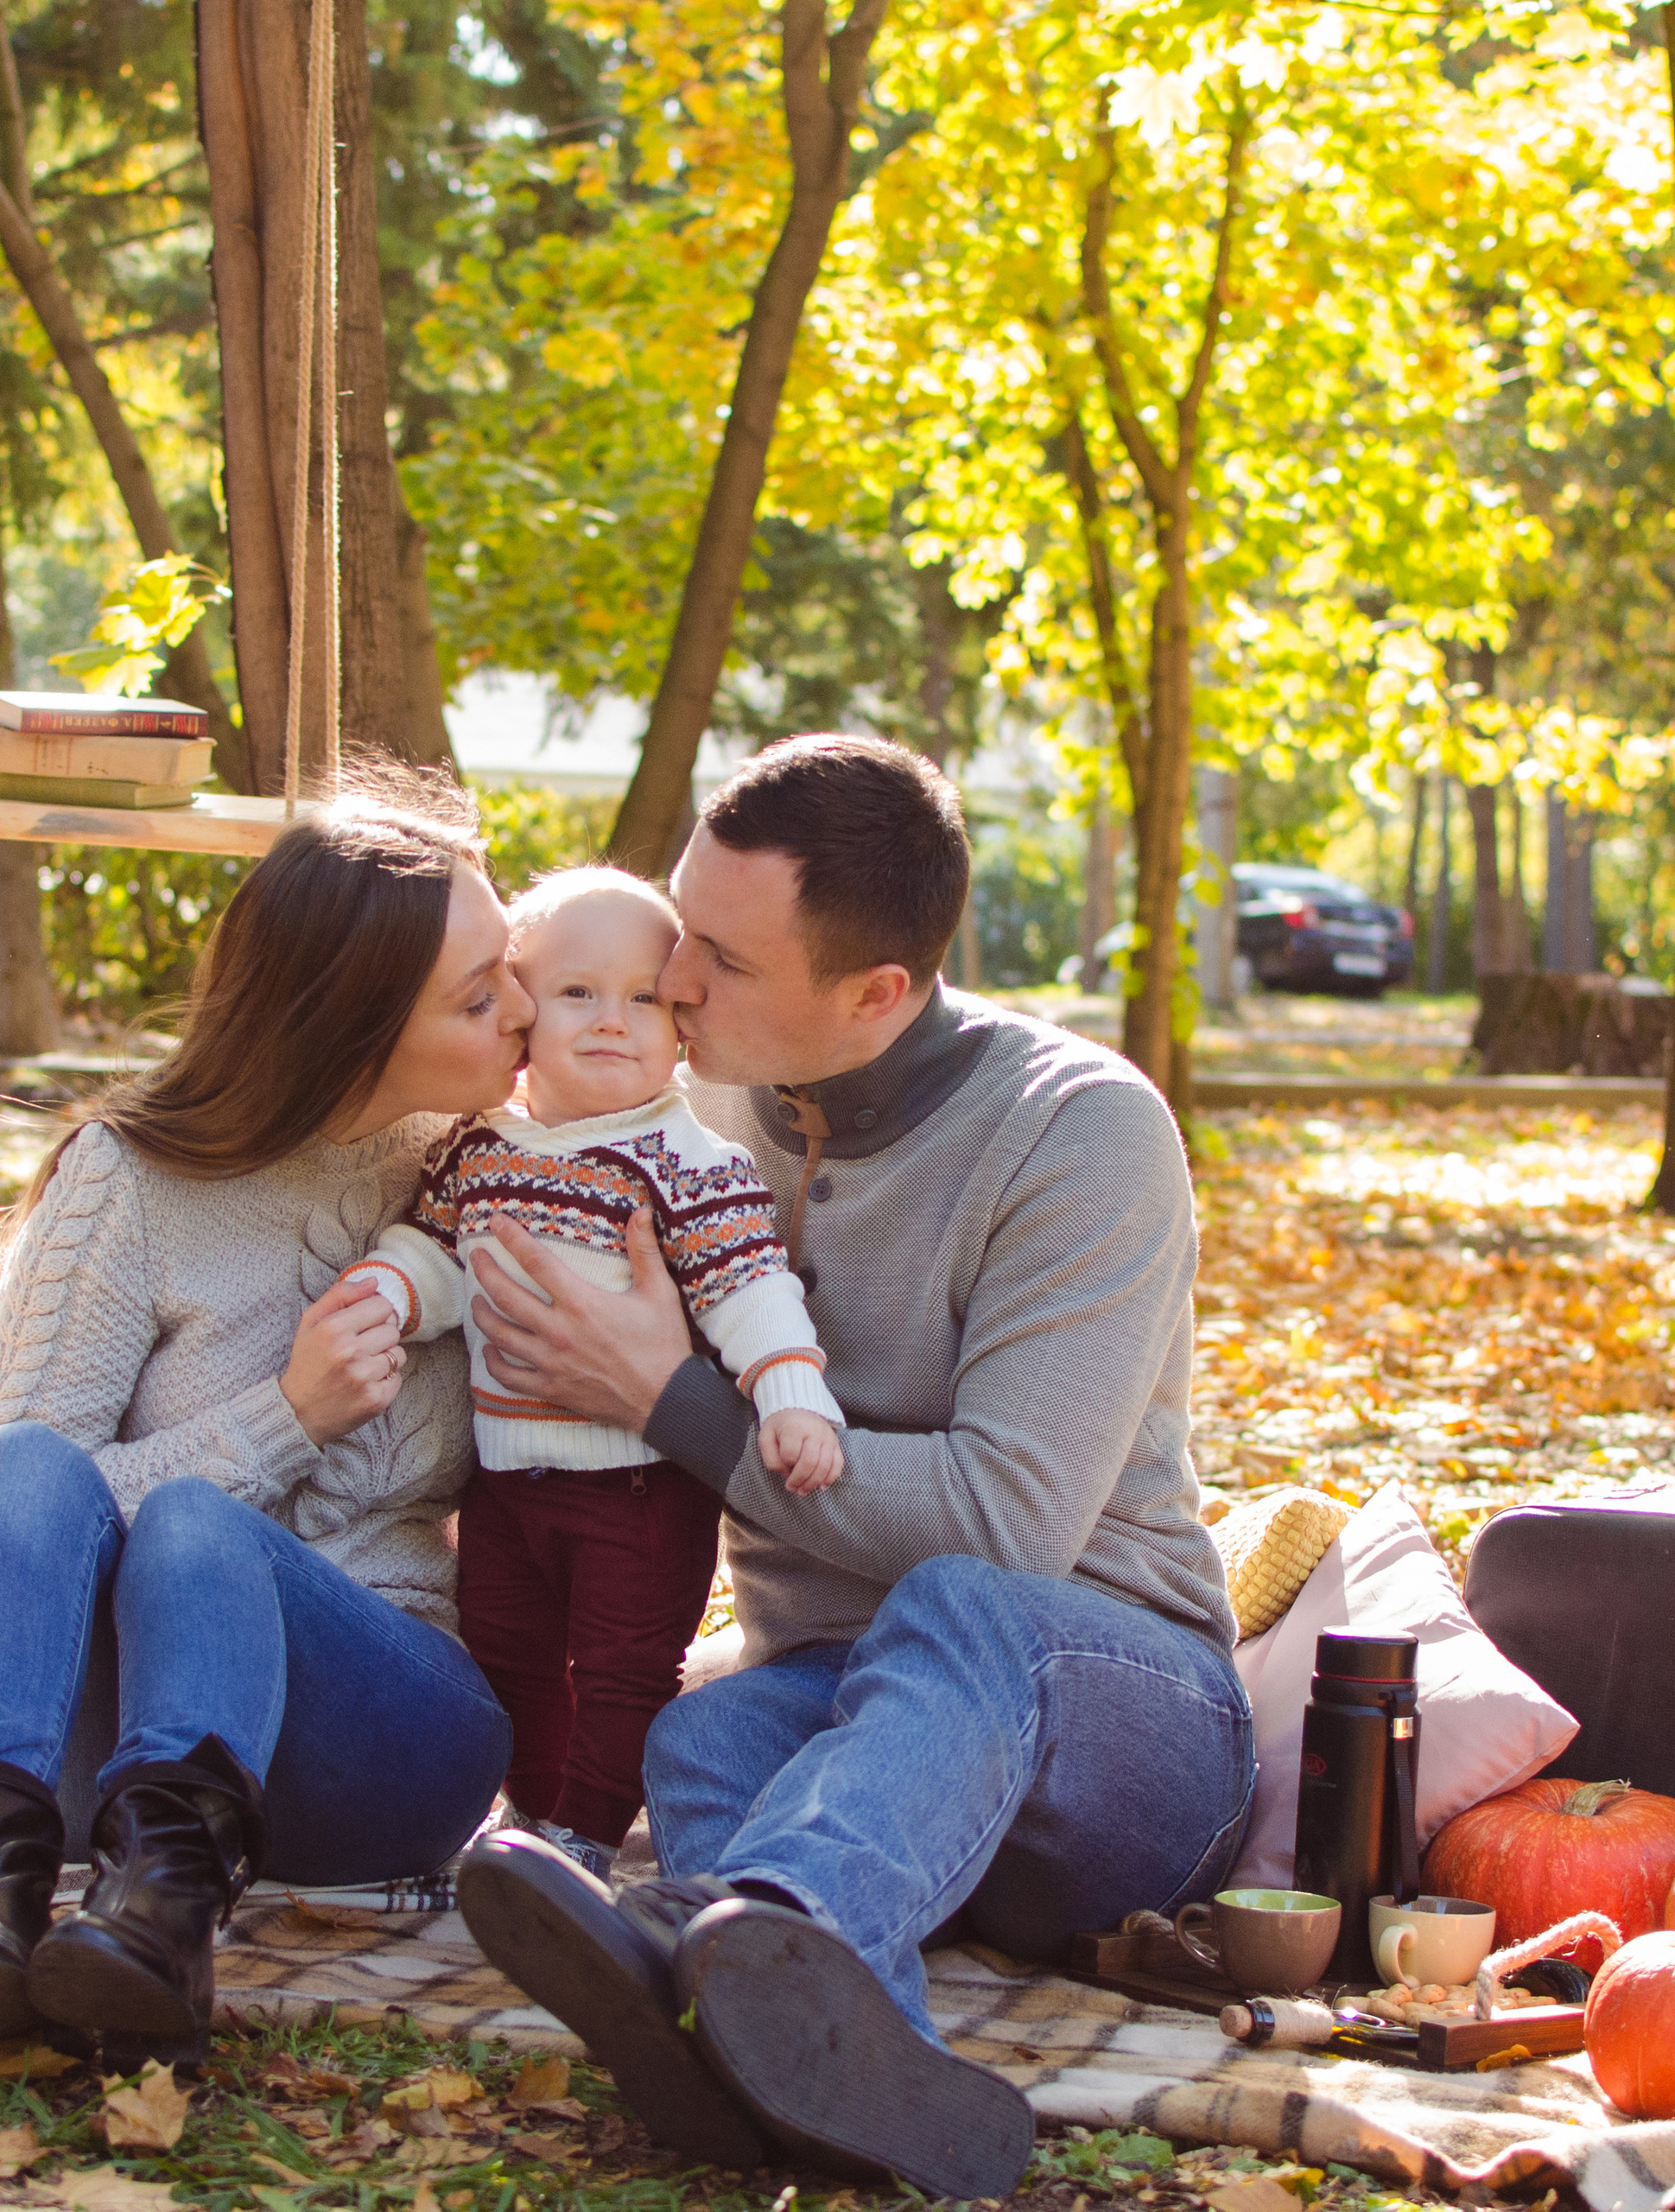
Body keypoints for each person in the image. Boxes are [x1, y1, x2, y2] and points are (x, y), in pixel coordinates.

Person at [456, 737, 1253, 2198]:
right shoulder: (699, 1115)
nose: (672, 979)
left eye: (721, 959)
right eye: (681, 925)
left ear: (876, 994)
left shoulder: (1079, 1133)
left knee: (962, 1603)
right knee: (706, 1737)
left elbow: (1008, 1530)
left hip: (1117, 1729)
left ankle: (744, 1936)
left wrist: (668, 1399)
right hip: (860, 1730)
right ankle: (794, 2046)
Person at [0, 776, 528, 2071]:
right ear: (351, 1029)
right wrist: (283, 1418)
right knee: (34, 1464)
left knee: (197, 1522)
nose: (521, 1009)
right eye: (478, 997)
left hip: (384, 1739)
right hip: (113, 1757)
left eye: (509, 967)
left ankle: (160, 1919)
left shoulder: (494, 1169)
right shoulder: (128, 1184)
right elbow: (6, 1530)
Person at [336, 867, 843, 1882]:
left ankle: (588, 1833)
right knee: (505, 1649)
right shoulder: (478, 1148)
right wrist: (389, 1290)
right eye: (577, 992)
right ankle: (531, 1810)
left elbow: (749, 1286)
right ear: (520, 1008)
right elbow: (440, 1254)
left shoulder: (686, 1161)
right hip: (504, 1482)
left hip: (640, 1487)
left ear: (680, 1023)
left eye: (643, 997)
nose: (613, 1019)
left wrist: (789, 1388)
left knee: (622, 1667)